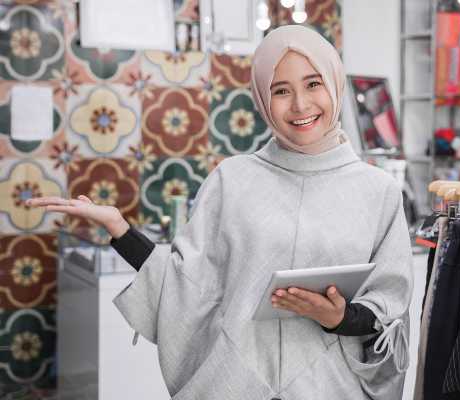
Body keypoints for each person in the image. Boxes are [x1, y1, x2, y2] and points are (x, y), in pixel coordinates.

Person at [27, 25, 413, 400]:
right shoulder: (233, 179)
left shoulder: (377, 191)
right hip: (235, 385)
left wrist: (339, 318)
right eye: (281, 90)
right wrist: (120, 229)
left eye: (313, 84)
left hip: (333, 387)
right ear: (262, 99)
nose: (300, 104)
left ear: (334, 83)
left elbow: (389, 309)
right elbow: (186, 287)